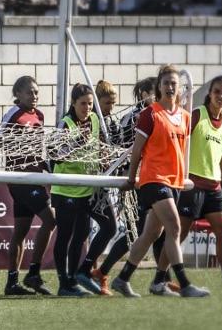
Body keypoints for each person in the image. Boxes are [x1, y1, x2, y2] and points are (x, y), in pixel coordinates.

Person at [110, 64, 210, 298]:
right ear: (159, 87)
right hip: (153, 179)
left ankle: (122, 278)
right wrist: (131, 176)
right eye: (166, 83)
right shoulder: (150, 114)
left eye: (174, 83)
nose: (170, 87)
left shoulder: (185, 117)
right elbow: (137, 150)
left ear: (179, 88)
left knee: (151, 234)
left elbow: (181, 150)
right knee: (174, 227)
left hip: (173, 181)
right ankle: (184, 284)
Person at [155, 75, 222, 296]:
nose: (221, 96)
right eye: (217, 91)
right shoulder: (196, 115)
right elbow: (175, 140)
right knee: (177, 234)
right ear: (209, 93)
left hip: (213, 188)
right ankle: (159, 280)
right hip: (191, 184)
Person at [91, 77, 160, 289]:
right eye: (154, 91)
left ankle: (162, 279)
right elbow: (125, 150)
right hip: (138, 181)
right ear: (143, 94)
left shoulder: (161, 114)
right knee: (138, 230)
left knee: (157, 229)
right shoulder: (134, 118)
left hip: (152, 178)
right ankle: (99, 272)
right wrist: (130, 174)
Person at [0, 76, 55, 296]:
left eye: (37, 92)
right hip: (20, 180)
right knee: (51, 219)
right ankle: (33, 273)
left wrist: (49, 166)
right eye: (30, 92)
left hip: (34, 177)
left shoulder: (39, 116)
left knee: (20, 230)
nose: (35, 96)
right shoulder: (13, 115)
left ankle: (12, 282)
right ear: (18, 94)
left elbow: (39, 150)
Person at [49, 84, 104, 297]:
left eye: (90, 103)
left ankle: (73, 278)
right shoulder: (66, 124)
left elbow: (99, 147)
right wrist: (76, 143)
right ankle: (63, 283)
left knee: (81, 234)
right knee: (64, 235)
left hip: (86, 190)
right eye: (83, 103)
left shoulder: (95, 120)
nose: (87, 107)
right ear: (73, 103)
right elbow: (54, 155)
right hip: (65, 190)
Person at [77, 80, 120, 296]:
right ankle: (81, 272)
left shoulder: (109, 122)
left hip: (102, 184)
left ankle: (87, 271)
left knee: (105, 228)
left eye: (113, 104)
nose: (110, 108)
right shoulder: (90, 122)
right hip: (88, 185)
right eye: (106, 103)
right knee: (103, 228)